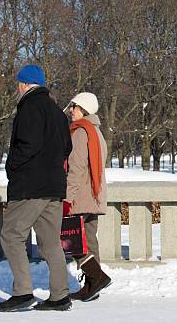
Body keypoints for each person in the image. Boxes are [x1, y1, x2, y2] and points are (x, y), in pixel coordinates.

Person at [0, 64, 73, 312]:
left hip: (30, 185)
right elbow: (66, 149)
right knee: (50, 242)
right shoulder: (57, 112)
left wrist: (12, 167)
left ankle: (22, 292)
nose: (17, 88)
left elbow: (27, 145)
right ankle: (60, 296)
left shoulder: (29, 107)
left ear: (25, 84)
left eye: (18, 83)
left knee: (11, 236)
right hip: (54, 186)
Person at [64, 92, 111, 302]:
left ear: (84, 109)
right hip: (93, 197)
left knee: (71, 241)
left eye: (74, 106)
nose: (70, 110)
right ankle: (92, 287)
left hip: (80, 198)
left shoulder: (81, 132)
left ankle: (97, 278)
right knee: (90, 242)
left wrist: (67, 198)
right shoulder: (96, 133)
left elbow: (76, 168)